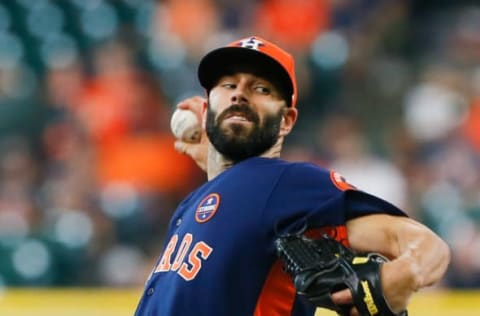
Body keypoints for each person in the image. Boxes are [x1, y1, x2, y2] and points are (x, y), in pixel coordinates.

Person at [134, 35, 450, 316]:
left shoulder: (286, 183)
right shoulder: (193, 203)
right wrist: (215, 164)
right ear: (207, 108)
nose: (240, 95)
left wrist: (404, 274)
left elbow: (424, 243)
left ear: (286, 120)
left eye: (261, 89)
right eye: (229, 84)